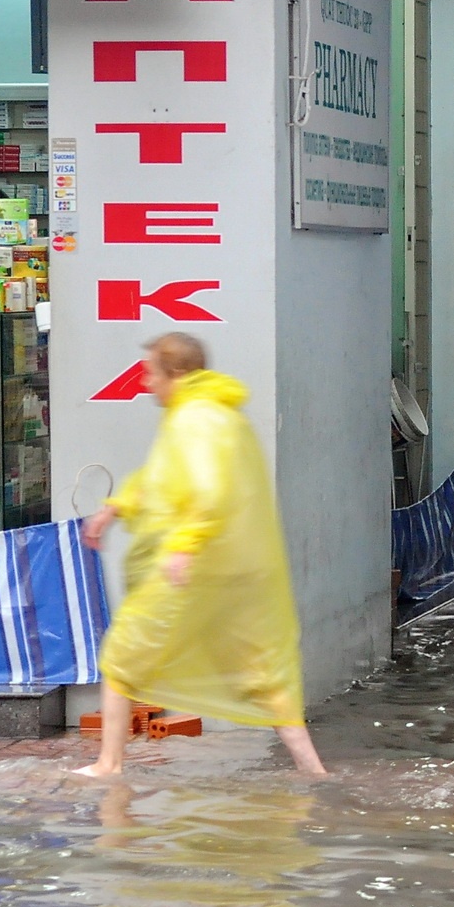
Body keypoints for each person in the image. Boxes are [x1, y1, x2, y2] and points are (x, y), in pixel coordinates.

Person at [76, 332, 326, 777]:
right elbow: (160, 479)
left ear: (174, 374)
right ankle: (314, 771)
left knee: (120, 658)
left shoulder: (194, 419)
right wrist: (114, 509)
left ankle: (108, 764)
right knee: (262, 675)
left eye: (151, 373)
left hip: (194, 570)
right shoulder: (219, 415)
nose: (146, 384)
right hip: (237, 571)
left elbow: (208, 491)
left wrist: (184, 547)